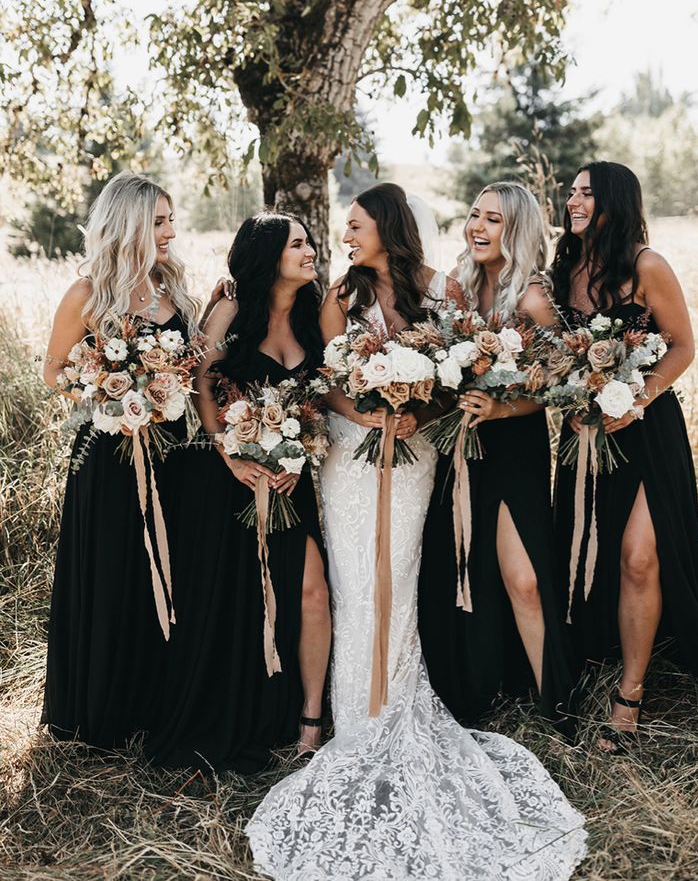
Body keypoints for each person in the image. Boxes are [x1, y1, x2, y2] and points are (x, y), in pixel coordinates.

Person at [247, 183, 587, 881]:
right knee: (353, 584)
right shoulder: (341, 295)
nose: (346, 236)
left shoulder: (443, 290)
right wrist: (368, 415)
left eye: (356, 225)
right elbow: (326, 376)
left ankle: (398, 703)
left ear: (388, 229)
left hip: (416, 455)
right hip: (349, 452)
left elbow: (455, 372)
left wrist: (415, 416)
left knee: (397, 577)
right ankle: (353, 719)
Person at [552, 161, 698, 754]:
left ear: (614, 203)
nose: (573, 201)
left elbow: (683, 345)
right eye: (571, 193)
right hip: (585, 433)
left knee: (638, 558)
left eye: (586, 194)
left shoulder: (646, 266)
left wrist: (636, 397)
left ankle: (629, 697)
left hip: (646, 430)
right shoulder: (564, 269)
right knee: (590, 553)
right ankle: (593, 658)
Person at [146, 212, 331, 772]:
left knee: (312, 592)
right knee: (237, 597)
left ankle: (311, 720)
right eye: (297, 243)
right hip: (230, 477)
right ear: (268, 252)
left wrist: (301, 450)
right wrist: (226, 448)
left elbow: (320, 394)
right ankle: (242, 709)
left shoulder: (313, 312)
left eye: (309, 242)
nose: (310, 250)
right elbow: (200, 379)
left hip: (288, 477)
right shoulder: (231, 306)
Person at [42, 172, 202, 749]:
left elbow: (197, 364)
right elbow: (53, 370)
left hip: (174, 455)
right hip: (108, 458)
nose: (170, 231)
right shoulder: (87, 295)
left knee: (171, 566)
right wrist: (105, 391)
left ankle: (157, 701)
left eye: (170, 219)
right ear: (128, 223)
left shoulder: (173, 290)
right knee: (116, 571)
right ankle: (102, 711)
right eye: (158, 221)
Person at [419, 182, 579, 737]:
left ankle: (556, 704)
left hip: (514, 449)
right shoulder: (456, 290)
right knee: (469, 571)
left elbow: (566, 382)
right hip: (462, 446)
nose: (478, 228)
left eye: (494, 220)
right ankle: (481, 685)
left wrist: (503, 408)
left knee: (524, 578)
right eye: (474, 216)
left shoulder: (532, 296)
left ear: (518, 230)